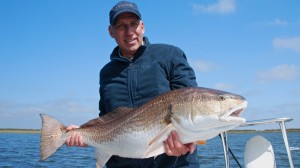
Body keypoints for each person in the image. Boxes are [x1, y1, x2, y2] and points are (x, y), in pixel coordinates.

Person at [66, 1, 199, 167]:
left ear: (142, 27)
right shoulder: (106, 73)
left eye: (134, 24)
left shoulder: (170, 55)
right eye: (121, 26)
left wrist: (188, 142)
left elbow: (191, 103)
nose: (129, 32)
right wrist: (84, 132)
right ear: (111, 31)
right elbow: (106, 118)